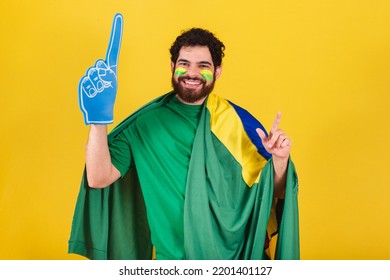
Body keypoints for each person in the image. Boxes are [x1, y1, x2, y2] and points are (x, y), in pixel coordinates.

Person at [69, 14, 299, 260]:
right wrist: (98, 119)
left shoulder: (237, 122)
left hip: (232, 260)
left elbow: (276, 191)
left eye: (203, 66)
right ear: (172, 66)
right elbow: (98, 177)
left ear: (217, 71)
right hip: (172, 262)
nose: (192, 73)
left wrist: (280, 159)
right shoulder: (144, 124)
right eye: (184, 63)